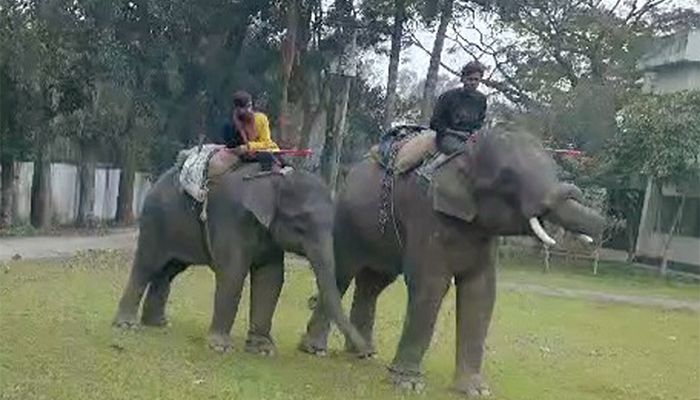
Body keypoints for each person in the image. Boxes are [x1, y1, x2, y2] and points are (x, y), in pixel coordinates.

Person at [429, 60, 487, 155]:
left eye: (476, 79)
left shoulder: (481, 100)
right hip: (447, 137)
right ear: (463, 79)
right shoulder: (448, 97)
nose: (473, 82)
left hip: (469, 138)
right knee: (464, 154)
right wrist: (457, 133)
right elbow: (435, 123)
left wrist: (475, 133)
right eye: (470, 79)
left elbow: (479, 122)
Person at [220, 91, 285, 173]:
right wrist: (239, 149)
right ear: (237, 109)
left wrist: (249, 146)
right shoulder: (229, 125)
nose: (248, 110)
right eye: (245, 108)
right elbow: (231, 147)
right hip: (246, 155)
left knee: (278, 158)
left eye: (249, 106)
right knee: (266, 156)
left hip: (265, 150)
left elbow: (267, 143)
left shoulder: (261, 119)